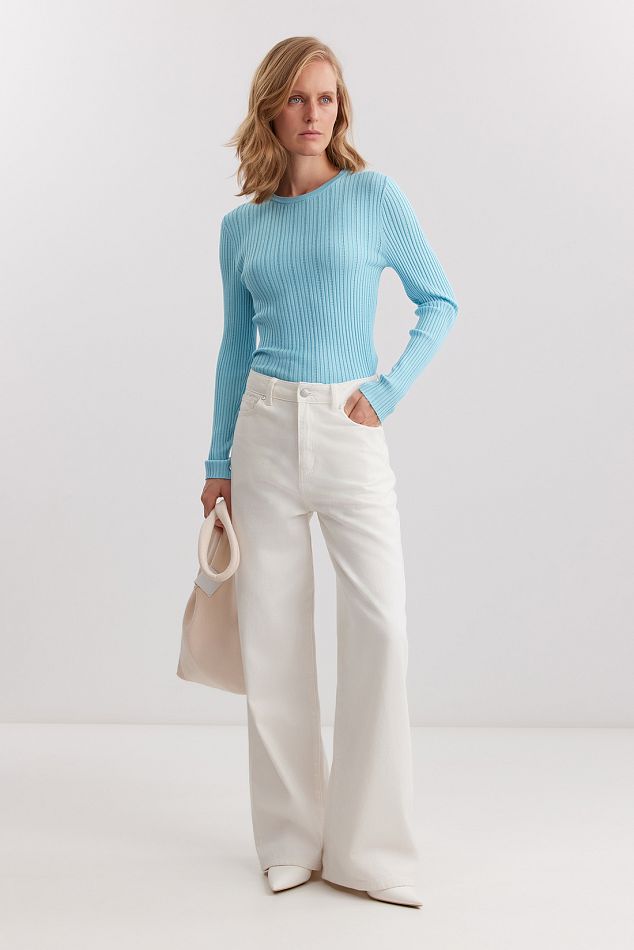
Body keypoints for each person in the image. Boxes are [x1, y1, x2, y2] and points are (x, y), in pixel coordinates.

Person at [200, 36, 458, 907]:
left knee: (381, 625)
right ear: (269, 108)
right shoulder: (241, 227)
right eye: (297, 98)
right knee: (273, 637)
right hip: (264, 429)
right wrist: (216, 462)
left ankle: (371, 851)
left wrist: (386, 392)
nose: (314, 114)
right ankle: (287, 840)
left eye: (327, 98)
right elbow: (233, 346)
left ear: (340, 108)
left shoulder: (372, 196)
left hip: (349, 426)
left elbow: (440, 300)